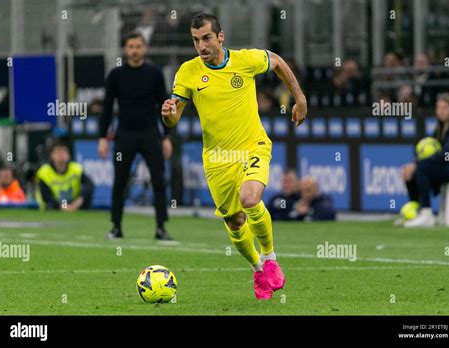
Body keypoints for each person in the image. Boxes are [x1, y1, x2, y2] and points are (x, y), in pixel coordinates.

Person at [161, 13, 308, 299]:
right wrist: (167, 114)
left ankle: (270, 258)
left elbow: (276, 61)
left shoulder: (245, 60)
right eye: (195, 40)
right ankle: (257, 270)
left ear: (220, 37)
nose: (201, 46)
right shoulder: (188, 72)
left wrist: (299, 96)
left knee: (250, 199)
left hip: (252, 146)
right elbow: (174, 119)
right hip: (217, 159)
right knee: (235, 221)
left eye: (206, 38)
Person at [99, 31, 173, 240]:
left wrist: (166, 137)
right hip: (124, 135)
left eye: (138, 46)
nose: (134, 50)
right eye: (131, 46)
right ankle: (116, 227)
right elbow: (106, 108)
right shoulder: (115, 75)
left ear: (145, 48)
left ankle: (161, 227)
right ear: (125, 49)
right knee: (120, 182)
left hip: (151, 134)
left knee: (159, 181)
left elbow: (164, 105)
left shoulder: (155, 74)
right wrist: (103, 137)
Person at [402, 93, 449, 227]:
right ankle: (418, 210)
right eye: (438, 108)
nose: (441, 111)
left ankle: (427, 214)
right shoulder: (440, 127)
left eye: (445, 108)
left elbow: (448, 154)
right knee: (411, 172)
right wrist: (414, 164)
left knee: (421, 168)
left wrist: (417, 164)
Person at [36, 142, 94, 211]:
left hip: (74, 205)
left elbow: (90, 186)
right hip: (54, 208)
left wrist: (76, 204)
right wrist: (64, 206)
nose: (61, 155)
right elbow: (46, 196)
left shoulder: (76, 169)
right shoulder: (44, 172)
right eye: (58, 152)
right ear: (51, 155)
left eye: (64, 151)